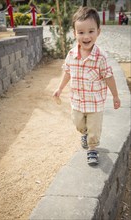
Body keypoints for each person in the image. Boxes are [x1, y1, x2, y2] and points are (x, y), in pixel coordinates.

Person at [53, 6, 121, 166]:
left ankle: (92, 149)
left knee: (94, 128)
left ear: (98, 31)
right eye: (81, 32)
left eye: (91, 31)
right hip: (77, 101)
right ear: (75, 33)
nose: (86, 36)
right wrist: (60, 88)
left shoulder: (101, 57)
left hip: (95, 103)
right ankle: (84, 133)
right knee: (78, 123)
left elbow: (109, 77)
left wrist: (116, 96)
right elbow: (67, 72)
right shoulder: (71, 54)